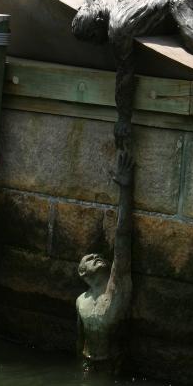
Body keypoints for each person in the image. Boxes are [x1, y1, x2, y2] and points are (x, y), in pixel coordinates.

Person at [72, 0, 193, 149]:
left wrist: (123, 119)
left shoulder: (118, 27)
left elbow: (125, 71)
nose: (95, 43)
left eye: (94, 36)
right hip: (171, 6)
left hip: (176, 5)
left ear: (98, 20)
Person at [76, 150, 134, 372]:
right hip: (87, 362)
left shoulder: (115, 288)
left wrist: (125, 189)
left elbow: (122, 238)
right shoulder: (81, 301)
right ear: (83, 274)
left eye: (97, 256)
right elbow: (79, 339)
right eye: (90, 259)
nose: (97, 257)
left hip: (113, 364)